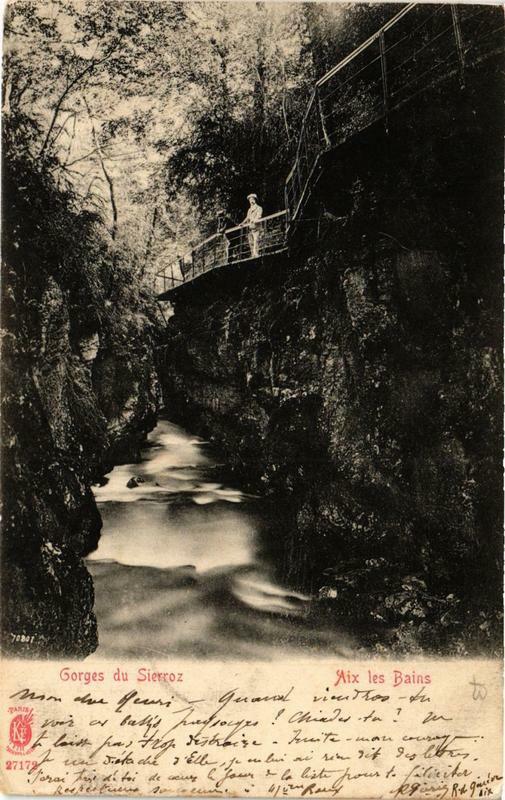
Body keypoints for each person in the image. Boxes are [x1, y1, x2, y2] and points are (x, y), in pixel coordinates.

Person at [242, 193, 263, 258]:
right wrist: (242, 223)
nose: (251, 201)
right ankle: (253, 255)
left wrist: (254, 219)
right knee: (251, 242)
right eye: (250, 199)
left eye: (252, 199)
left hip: (257, 227)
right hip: (250, 228)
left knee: (256, 240)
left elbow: (259, 216)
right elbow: (247, 217)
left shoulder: (259, 208)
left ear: (255, 200)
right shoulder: (249, 210)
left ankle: (256, 254)